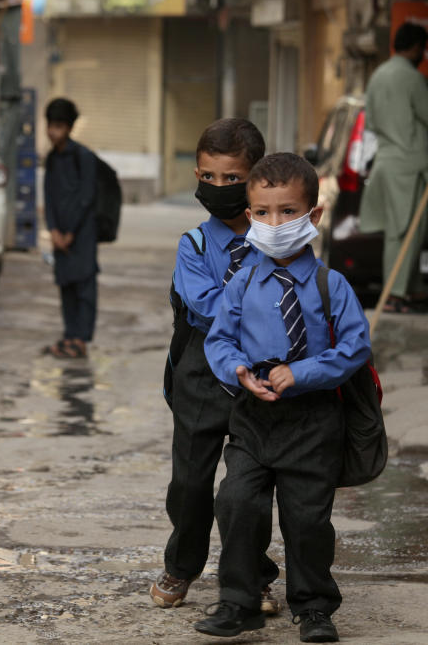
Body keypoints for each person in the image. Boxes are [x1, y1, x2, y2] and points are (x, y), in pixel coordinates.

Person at [197, 153, 371, 642]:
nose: (275, 223)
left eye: (288, 211)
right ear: (249, 215)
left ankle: (314, 607)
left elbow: (355, 345)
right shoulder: (243, 282)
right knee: (235, 501)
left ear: (313, 215)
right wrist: (237, 371)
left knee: (307, 518)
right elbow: (219, 340)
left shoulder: (329, 284)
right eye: (263, 212)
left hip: (313, 419)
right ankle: (239, 600)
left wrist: (304, 372)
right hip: (253, 415)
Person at [150, 118, 282, 614]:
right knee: (189, 483)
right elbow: (207, 309)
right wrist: (262, 296)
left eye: (231, 178)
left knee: (247, 487)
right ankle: (182, 565)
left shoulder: (280, 236)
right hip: (202, 376)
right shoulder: (196, 246)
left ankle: (253, 574)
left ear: (256, 178)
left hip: (262, 377)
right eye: (208, 177)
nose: (219, 187)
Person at [360, 22, 428, 313]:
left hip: (386, 163)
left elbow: (371, 121)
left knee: (409, 229)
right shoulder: (411, 77)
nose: (423, 54)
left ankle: (411, 290)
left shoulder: (377, 76)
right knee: (406, 231)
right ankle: (395, 294)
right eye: (422, 48)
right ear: (414, 47)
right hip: (408, 165)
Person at [43, 98, 98, 359]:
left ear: (69, 127)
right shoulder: (52, 158)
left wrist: (70, 233)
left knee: (84, 287)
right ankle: (69, 336)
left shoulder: (83, 157)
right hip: (60, 235)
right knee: (65, 286)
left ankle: (81, 340)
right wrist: (53, 230)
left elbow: (87, 197)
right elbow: (49, 196)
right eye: (50, 126)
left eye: (58, 126)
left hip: (82, 235)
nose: (53, 131)